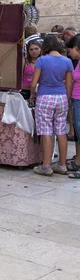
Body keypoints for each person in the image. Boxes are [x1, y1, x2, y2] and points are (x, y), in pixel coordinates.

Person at [30, 35, 73, 176]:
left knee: (46, 130)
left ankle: (46, 166)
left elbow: (34, 83)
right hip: (61, 97)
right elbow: (69, 84)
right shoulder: (67, 61)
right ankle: (61, 164)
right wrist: (67, 99)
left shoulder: (42, 60)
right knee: (61, 130)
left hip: (45, 97)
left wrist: (32, 95)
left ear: (45, 47)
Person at [64, 35, 80, 178]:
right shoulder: (79, 62)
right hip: (76, 100)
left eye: (70, 50)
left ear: (76, 48)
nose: (69, 54)